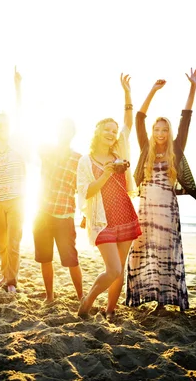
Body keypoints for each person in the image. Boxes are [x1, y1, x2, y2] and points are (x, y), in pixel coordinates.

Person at [126, 67, 196, 315]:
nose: (160, 133)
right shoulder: (145, 147)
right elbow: (139, 118)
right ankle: (139, 297)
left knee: (166, 253)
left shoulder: (176, 149)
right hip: (146, 208)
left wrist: (193, 87)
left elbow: (186, 118)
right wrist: (153, 91)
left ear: (168, 132)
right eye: (157, 129)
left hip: (167, 210)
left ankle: (164, 300)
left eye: (164, 129)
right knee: (143, 251)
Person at [76, 73, 141, 321]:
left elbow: (128, 123)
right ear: (98, 132)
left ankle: (111, 310)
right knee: (112, 269)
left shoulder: (119, 150)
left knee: (119, 270)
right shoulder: (86, 160)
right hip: (102, 219)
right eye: (107, 130)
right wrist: (106, 173)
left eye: (114, 131)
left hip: (124, 213)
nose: (112, 133)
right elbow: (87, 191)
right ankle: (88, 301)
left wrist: (127, 93)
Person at [33, 118, 84, 303]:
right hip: (42, 214)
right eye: (61, 130)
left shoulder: (79, 159)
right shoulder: (46, 150)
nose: (64, 134)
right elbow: (29, 133)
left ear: (72, 134)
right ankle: (49, 296)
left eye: (68, 131)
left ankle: (81, 297)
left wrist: (85, 213)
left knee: (72, 259)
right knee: (45, 258)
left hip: (65, 216)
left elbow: (83, 188)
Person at [0, 68, 27, 293]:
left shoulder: (18, 144)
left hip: (17, 202)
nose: (3, 128)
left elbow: (20, 114)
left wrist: (18, 87)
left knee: (13, 243)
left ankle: (11, 281)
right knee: (2, 243)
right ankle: (5, 277)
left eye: (6, 124)